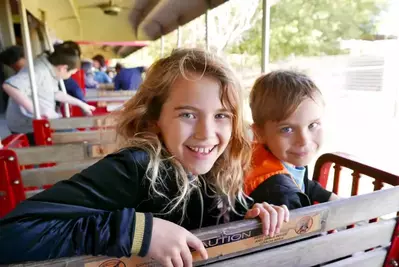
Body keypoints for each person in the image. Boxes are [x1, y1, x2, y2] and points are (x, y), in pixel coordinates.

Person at [0, 48, 289, 265]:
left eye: (222, 115)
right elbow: (10, 236)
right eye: (187, 114)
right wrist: (138, 232)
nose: (206, 132)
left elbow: (216, 215)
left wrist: (251, 215)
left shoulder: (216, 169)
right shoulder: (133, 168)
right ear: (154, 119)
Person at [245, 70, 339, 210]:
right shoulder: (281, 196)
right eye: (287, 129)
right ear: (260, 133)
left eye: (312, 125)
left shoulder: (287, 156)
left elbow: (302, 182)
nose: (303, 140)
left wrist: (328, 197)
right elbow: (301, 230)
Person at [2, 46, 95, 145]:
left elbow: (55, 93)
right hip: (29, 127)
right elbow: (9, 86)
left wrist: (82, 104)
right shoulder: (39, 70)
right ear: (63, 68)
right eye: (71, 73)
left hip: (42, 123)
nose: (70, 76)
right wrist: (35, 111)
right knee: (82, 142)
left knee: (80, 138)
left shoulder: (50, 70)